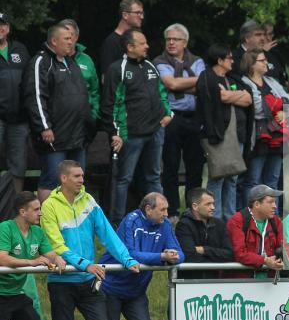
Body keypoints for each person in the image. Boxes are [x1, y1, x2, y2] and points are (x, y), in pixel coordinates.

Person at [40, 160, 140, 320]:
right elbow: (57, 247)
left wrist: (126, 258)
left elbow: (108, 234)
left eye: (82, 176)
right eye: (77, 176)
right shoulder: (49, 206)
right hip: (61, 281)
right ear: (64, 178)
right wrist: (86, 264)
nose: (82, 180)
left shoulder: (89, 201)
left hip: (87, 280)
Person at [97, 192, 183, 320]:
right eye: (162, 209)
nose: (166, 214)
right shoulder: (131, 221)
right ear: (148, 209)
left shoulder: (165, 225)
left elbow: (180, 254)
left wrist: (173, 255)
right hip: (111, 288)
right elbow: (131, 253)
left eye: (167, 209)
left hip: (136, 292)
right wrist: (161, 257)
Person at [102, 29, 173, 224]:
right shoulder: (118, 69)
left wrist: (168, 113)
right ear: (130, 47)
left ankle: (160, 219)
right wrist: (115, 132)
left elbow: (161, 92)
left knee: (154, 176)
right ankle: (118, 222)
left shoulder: (150, 65)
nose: (147, 46)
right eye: (142, 43)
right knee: (124, 178)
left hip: (156, 130)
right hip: (131, 134)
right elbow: (110, 104)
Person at [23, 23, 96, 201]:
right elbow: (35, 96)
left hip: (77, 136)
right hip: (54, 136)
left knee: (76, 181)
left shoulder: (71, 62)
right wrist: (44, 127)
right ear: (54, 41)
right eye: (67, 39)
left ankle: (71, 222)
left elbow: (82, 95)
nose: (71, 42)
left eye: (72, 39)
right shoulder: (41, 61)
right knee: (51, 180)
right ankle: (48, 224)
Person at [0, 192, 66, 320]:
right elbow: (2, 258)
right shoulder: (5, 228)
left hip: (17, 293)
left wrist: (58, 259)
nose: (40, 214)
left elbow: (50, 254)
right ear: (23, 211)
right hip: (0, 294)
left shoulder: (38, 232)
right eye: (36, 210)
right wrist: (32, 261)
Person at [153, 23, 206, 218]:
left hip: (195, 118)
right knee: (171, 166)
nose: (171, 43)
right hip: (172, 117)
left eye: (176, 39)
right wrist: (194, 82)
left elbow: (204, 83)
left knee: (196, 166)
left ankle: (195, 210)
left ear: (185, 42)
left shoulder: (197, 60)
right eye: (168, 39)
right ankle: (172, 210)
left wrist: (180, 85)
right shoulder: (159, 61)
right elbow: (170, 83)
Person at [196, 44, 252, 218]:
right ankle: (215, 217)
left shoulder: (231, 78)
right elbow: (216, 100)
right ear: (219, 60)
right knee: (218, 176)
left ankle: (230, 217)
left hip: (237, 136)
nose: (232, 61)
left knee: (233, 178)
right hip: (218, 136)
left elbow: (248, 99)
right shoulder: (207, 78)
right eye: (229, 58)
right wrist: (234, 97)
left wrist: (230, 96)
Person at [239, 48, 289, 200]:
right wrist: (279, 106)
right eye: (262, 60)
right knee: (253, 180)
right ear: (251, 63)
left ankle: (273, 220)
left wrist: (283, 110)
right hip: (258, 137)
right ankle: (251, 218)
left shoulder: (272, 82)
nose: (266, 63)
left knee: (273, 180)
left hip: (277, 137)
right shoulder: (244, 83)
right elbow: (257, 109)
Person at [0, 11, 31, 192]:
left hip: (19, 118)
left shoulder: (20, 49)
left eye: (3, 24)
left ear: (8, 28)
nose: (0, 28)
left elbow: (30, 81)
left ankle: (14, 210)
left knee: (18, 166)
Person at [226, 184, 284, 277]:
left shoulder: (276, 222)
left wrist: (280, 259)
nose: (275, 206)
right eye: (270, 202)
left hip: (269, 283)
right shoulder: (237, 221)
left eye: (275, 202)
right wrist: (264, 261)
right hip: (242, 282)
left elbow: (283, 249)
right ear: (257, 204)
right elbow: (240, 254)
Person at [175, 188, 234, 279]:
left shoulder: (219, 224)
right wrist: (216, 257)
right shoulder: (183, 225)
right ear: (195, 206)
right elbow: (189, 256)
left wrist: (204, 250)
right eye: (208, 204)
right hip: (189, 282)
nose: (213, 207)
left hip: (215, 281)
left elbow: (230, 254)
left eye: (213, 203)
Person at [99, 0, 144, 82]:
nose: (141, 17)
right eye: (138, 13)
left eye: (142, 13)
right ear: (125, 15)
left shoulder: (140, 40)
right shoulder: (111, 42)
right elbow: (106, 79)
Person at [260, 22, 289, 87]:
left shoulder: (276, 52)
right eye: (265, 34)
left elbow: (282, 70)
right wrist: (263, 51)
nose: (268, 38)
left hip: (282, 91)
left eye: (270, 34)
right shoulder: (252, 54)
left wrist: (286, 81)